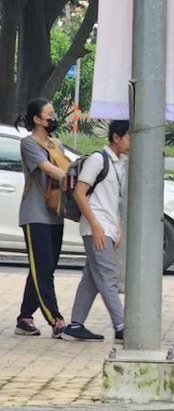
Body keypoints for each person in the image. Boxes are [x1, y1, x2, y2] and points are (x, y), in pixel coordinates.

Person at [62, 120, 130, 343]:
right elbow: (79, 193)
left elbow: (114, 200)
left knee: (92, 278)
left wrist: (117, 227)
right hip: (96, 228)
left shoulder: (120, 163)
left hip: (107, 227)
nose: (131, 143)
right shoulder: (98, 160)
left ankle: (75, 325)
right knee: (108, 277)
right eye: (129, 137)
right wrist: (97, 226)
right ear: (116, 138)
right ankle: (121, 325)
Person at [13, 98, 68, 338]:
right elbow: (48, 168)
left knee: (43, 268)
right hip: (35, 215)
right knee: (43, 269)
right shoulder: (29, 144)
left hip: (55, 214)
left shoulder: (58, 143)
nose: (53, 118)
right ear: (37, 119)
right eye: (49, 115)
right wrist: (73, 178)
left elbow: (64, 166)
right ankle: (55, 319)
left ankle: (25, 318)